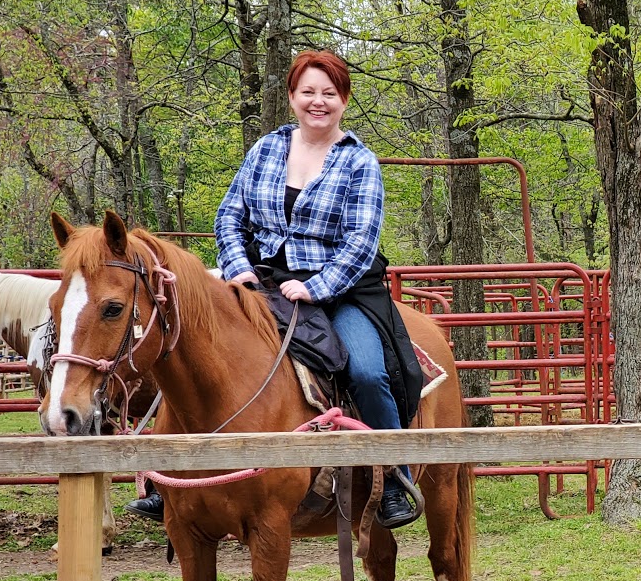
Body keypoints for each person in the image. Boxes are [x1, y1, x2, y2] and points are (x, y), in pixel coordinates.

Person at [127, 50, 421, 528]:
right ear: (291, 97)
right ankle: (168, 477)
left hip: (341, 287)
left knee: (367, 372)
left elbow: (361, 242)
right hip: (259, 280)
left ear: (344, 100)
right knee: (190, 344)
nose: (318, 102)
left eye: (329, 93)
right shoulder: (267, 148)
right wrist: (238, 268)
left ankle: (393, 477)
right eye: (308, 92)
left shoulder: (359, 162)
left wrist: (316, 287)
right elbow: (230, 216)